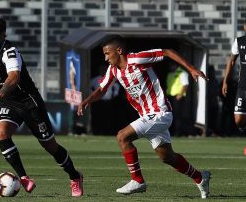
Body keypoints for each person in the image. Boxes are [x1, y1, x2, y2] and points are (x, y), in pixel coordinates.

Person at [77, 35, 211, 198]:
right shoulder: (113, 70)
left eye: (107, 53)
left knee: (122, 136)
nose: (106, 58)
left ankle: (137, 180)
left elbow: (167, 52)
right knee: (167, 157)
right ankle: (200, 177)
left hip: (160, 113)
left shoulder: (137, 59)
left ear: (119, 51)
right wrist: (87, 101)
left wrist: (191, 69)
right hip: (148, 116)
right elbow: (103, 89)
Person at [0, 15, 83, 197]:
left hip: (29, 103)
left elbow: (13, 78)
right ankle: (24, 178)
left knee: (50, 147)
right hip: (9, 102)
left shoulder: (10, 52)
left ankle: (75, 176)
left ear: (3, 35)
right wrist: (1, 97)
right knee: (2, 133)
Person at [222, 21, 246, 133]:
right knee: (238, 120)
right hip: (243, 87)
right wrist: (225, 81)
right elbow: (231, 61)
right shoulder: (239, 41)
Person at [90, 64, 120, 135]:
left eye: (104, 69)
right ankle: (98, 132)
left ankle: (109, 132)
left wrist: (114, 94)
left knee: (109, 118)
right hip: (99, 101)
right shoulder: (95, 79)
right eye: (102, 69)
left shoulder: (110, 78)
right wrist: (93, 95)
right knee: (99, 117)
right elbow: (89, 87)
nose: (103, 71)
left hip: (109, 102)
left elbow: (116, 86)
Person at [166, 63, 189, 136]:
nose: (170, 67)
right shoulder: (170, 74)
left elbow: (185, 85)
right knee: (170, 115)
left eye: (172, 65)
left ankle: (178, 132)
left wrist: (180, 95)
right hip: (170, 97)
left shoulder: (182, 73)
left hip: (178, 97)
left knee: (177, 115)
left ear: (175, 65)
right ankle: (171, 131)